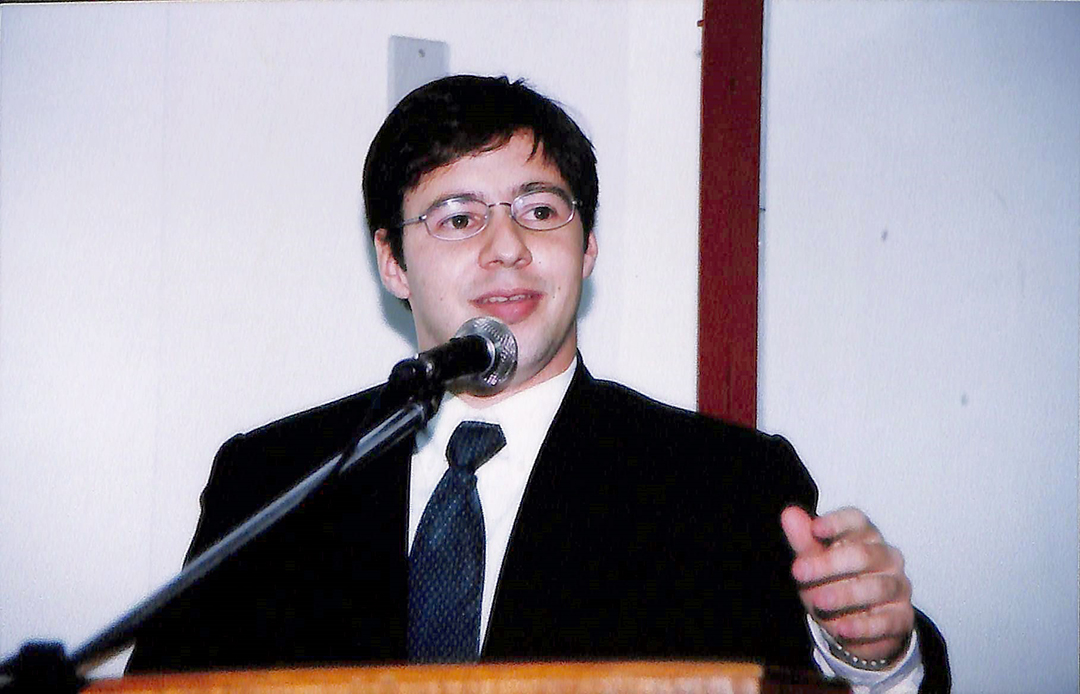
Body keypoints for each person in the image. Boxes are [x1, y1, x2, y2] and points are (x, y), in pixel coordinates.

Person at [126, 75, 949, 692]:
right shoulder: (273, 479)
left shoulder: (727, 484)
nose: (507, 248)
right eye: (459, 217)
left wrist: (870, 655)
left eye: (541, 210)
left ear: (586, 248)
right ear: (392, 263)